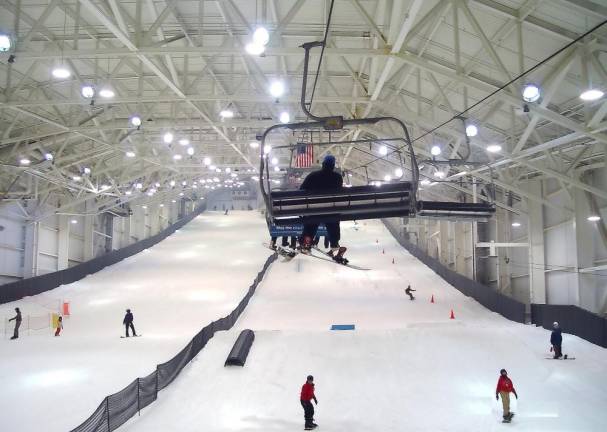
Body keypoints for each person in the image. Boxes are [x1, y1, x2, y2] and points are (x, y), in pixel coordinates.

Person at [299, 155, 347, 263]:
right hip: (331, 210)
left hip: (314, 210)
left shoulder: (313, 176)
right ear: (333, 165)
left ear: (323, 164)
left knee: (311, 222)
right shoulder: (337, 177)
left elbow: (301, 190)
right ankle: (334, 243)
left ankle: (307, 241)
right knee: (333, 221)